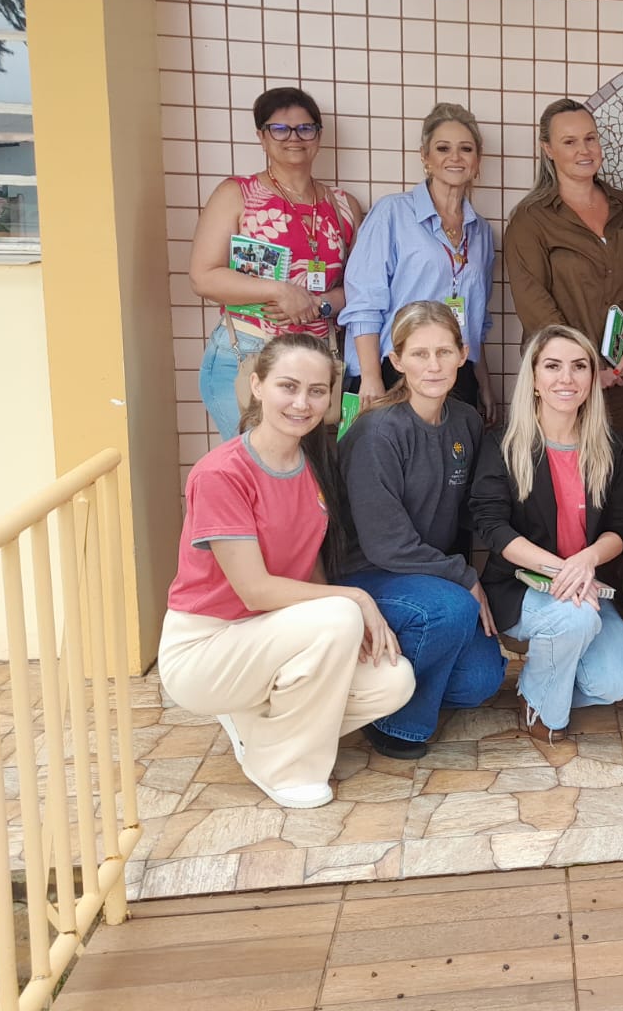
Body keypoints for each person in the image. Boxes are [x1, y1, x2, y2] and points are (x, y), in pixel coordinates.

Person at [158, 333, 413, 808]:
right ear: (256, 386)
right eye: (287, 386)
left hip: (271, 638)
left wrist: (340, 629)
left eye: (317, 391)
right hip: (207, 647)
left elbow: (308, 563)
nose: (302, 403)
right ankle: (282, 766)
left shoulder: (311, 463)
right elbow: (253, 591)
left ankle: (256, 723)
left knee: (393, 682)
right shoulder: (221, 473)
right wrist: (353, 602)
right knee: (340, 613)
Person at [337, 301, 507, 760]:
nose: (433, 366)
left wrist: (521, 547)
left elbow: (472, 509)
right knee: (451, 610)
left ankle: (391, 685)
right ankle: (396, 721)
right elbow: (386, 543)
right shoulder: (378, 433)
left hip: (430, 576)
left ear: (462, 354)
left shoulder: (466, 421)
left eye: (443, 352)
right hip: (370, 573)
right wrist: (464, 577)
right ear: (396, 361)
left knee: (481, 681)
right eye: (418, 354)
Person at [469, 324, 623, 740]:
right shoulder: (503, 445)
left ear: (591, 379)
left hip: (587, 582)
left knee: (616, 681)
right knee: (575, 617)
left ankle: (547, 679)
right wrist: (563, 570)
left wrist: (586, 561)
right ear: (534, 379)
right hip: (519, 586)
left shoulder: (612, 446)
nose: (566, 378)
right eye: (553, 366)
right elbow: (492, 527)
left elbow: (622, 527)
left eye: (579, 366)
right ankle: (544, 708)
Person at [189, 87, 361, 440]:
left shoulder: (343, 205)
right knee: (256, 469)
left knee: (309, 477)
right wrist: (279, 291)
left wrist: (318, 304)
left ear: (318, 136)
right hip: (250, 354)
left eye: (305, 128)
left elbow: (361, 287)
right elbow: (203, 277)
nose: (293, 138)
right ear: (261, 137)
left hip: (317, 363)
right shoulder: (236, 194)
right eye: (279, 129)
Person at [503, 98, 623, 447]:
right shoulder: (530, 220)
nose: (583, 150)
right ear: (548, 149)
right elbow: (535, 305)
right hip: (563, 384)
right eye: (569, 142)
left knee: (618, 485)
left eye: (590, 139)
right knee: (562, 481)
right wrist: (583, 367)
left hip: (620, 381)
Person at [341, 102, 498, 418]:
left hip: (456, 371)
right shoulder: (392, 213)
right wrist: (370, 377)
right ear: (425, 157)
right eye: (443, 148)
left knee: (453, 464)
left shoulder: (481, 231)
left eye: (465, 149)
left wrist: (482, 379)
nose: (455, 157)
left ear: (477, 160)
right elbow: (364, 302)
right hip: (394, 369)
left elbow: (476, 319)